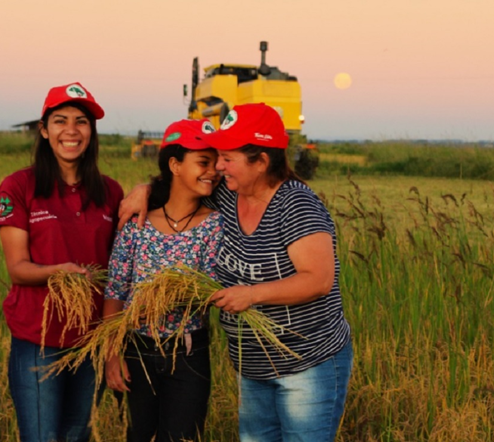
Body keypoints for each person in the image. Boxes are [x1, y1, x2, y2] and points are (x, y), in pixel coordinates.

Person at [118, 103, 353, 442]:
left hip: (306, 364)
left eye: (228, 158)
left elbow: (318, 280)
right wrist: (146, 188)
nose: (218, 167)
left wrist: (252, 294)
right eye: (217, 157)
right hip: (253, 366)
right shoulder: (228, 196)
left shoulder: (297, 205)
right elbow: (182, 187)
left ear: (261, 161)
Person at [0, 82, 124, 442]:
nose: (71, 130)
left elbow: (119, 268)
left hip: (91, 340)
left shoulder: (111, 191)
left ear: (91, 131)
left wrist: (146, 190)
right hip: (38, 338)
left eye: (81, 121)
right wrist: (58, 272)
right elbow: (17, 267)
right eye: (60, 120)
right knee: (42, 436)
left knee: (77, 435)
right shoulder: (19, 186)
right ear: (44, 129)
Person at [104, 119, 222, 442]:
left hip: (187, 354)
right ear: (174, 164)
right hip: (137, 350)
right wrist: (112, 354)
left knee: (182, 437)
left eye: (216, 163)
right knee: (139, 435)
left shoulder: (215, 226)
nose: (212, 171)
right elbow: (115, 289)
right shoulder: (137, 222)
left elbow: (212, 289)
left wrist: (166, 299)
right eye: (203, 162)